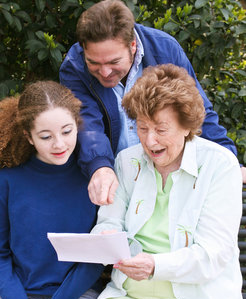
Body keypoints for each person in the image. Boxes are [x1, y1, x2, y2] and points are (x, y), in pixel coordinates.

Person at [81, 64, 244, 299]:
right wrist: (105, 238)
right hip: (131, 296)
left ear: (187, 125)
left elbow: (213, 253)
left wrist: (155, 266)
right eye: (142, 128)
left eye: (161, 129)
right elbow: (109, 221)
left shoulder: (220, 165)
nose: (150, 140)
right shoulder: (127, 161)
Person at [59, 0, 246, 206]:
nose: (104, 72)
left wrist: (227, 159)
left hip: (166, 174)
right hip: (112, 179)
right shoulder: (74, 66)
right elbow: (87, 125)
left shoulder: (164, 49)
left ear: (132, 46)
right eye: (93, 62)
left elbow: (195, 109)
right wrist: (100, 167)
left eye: (114, 62)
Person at [0, 81, 104, 299]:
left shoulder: (94, 180)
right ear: (29, 136)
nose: (59, 144)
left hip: (75, 297)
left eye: (67, 132)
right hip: (16, 294)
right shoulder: (8, 180)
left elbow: (94, 258)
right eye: (45, 136)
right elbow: (0, 255)